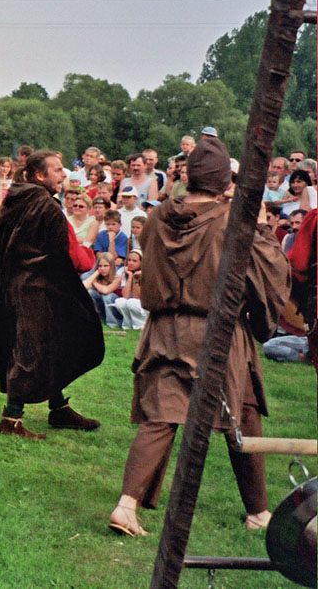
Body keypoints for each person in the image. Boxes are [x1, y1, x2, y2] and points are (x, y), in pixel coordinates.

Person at [108, 136, 289, 536]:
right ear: (225, 180)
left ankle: (127, 504)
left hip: (165, 329)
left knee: (164, 417)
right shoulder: (234, 220)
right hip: (218, 332)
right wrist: (260, 225)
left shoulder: (158, 216)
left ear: (189, 176)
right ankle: (258, 512)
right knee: (242, 412)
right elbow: (270, 273)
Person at [0, 150, 102, 440]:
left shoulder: (19, 198)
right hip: (33, 288)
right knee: (31, 351)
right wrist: (88, 257)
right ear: (40, 175)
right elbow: (67, 254)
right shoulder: (44, 205)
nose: (64, 174)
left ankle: (58, 408)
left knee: (51, 344)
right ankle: (11, 419)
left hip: (19, 283)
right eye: (58, 169)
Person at [82, 252, 121, 328]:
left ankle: (113, 324)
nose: (102, 269)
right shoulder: (97, 276)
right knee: (90, 292)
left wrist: (94, 282)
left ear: (111, 266)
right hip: (101, 306)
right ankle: (98, 319)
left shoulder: (117, 278)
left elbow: (106, 291)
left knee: (107, 296)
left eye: (106, 266)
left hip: (113, 307)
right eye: (100, 266)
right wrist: (96, 273)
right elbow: (84, 287)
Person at [112, 249, 147, 330]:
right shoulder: (124, 272)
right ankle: (127, 326)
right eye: (129, 260)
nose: (130, 263)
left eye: (134, 261)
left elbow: (136, 296)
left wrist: (136, 279)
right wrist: (130, 276)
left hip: (145, 305)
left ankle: (140, 326)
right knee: (120, 301)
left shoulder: (147, 273)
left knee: (132, 302)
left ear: (141, 262)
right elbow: (125, 296)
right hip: (132, 303)